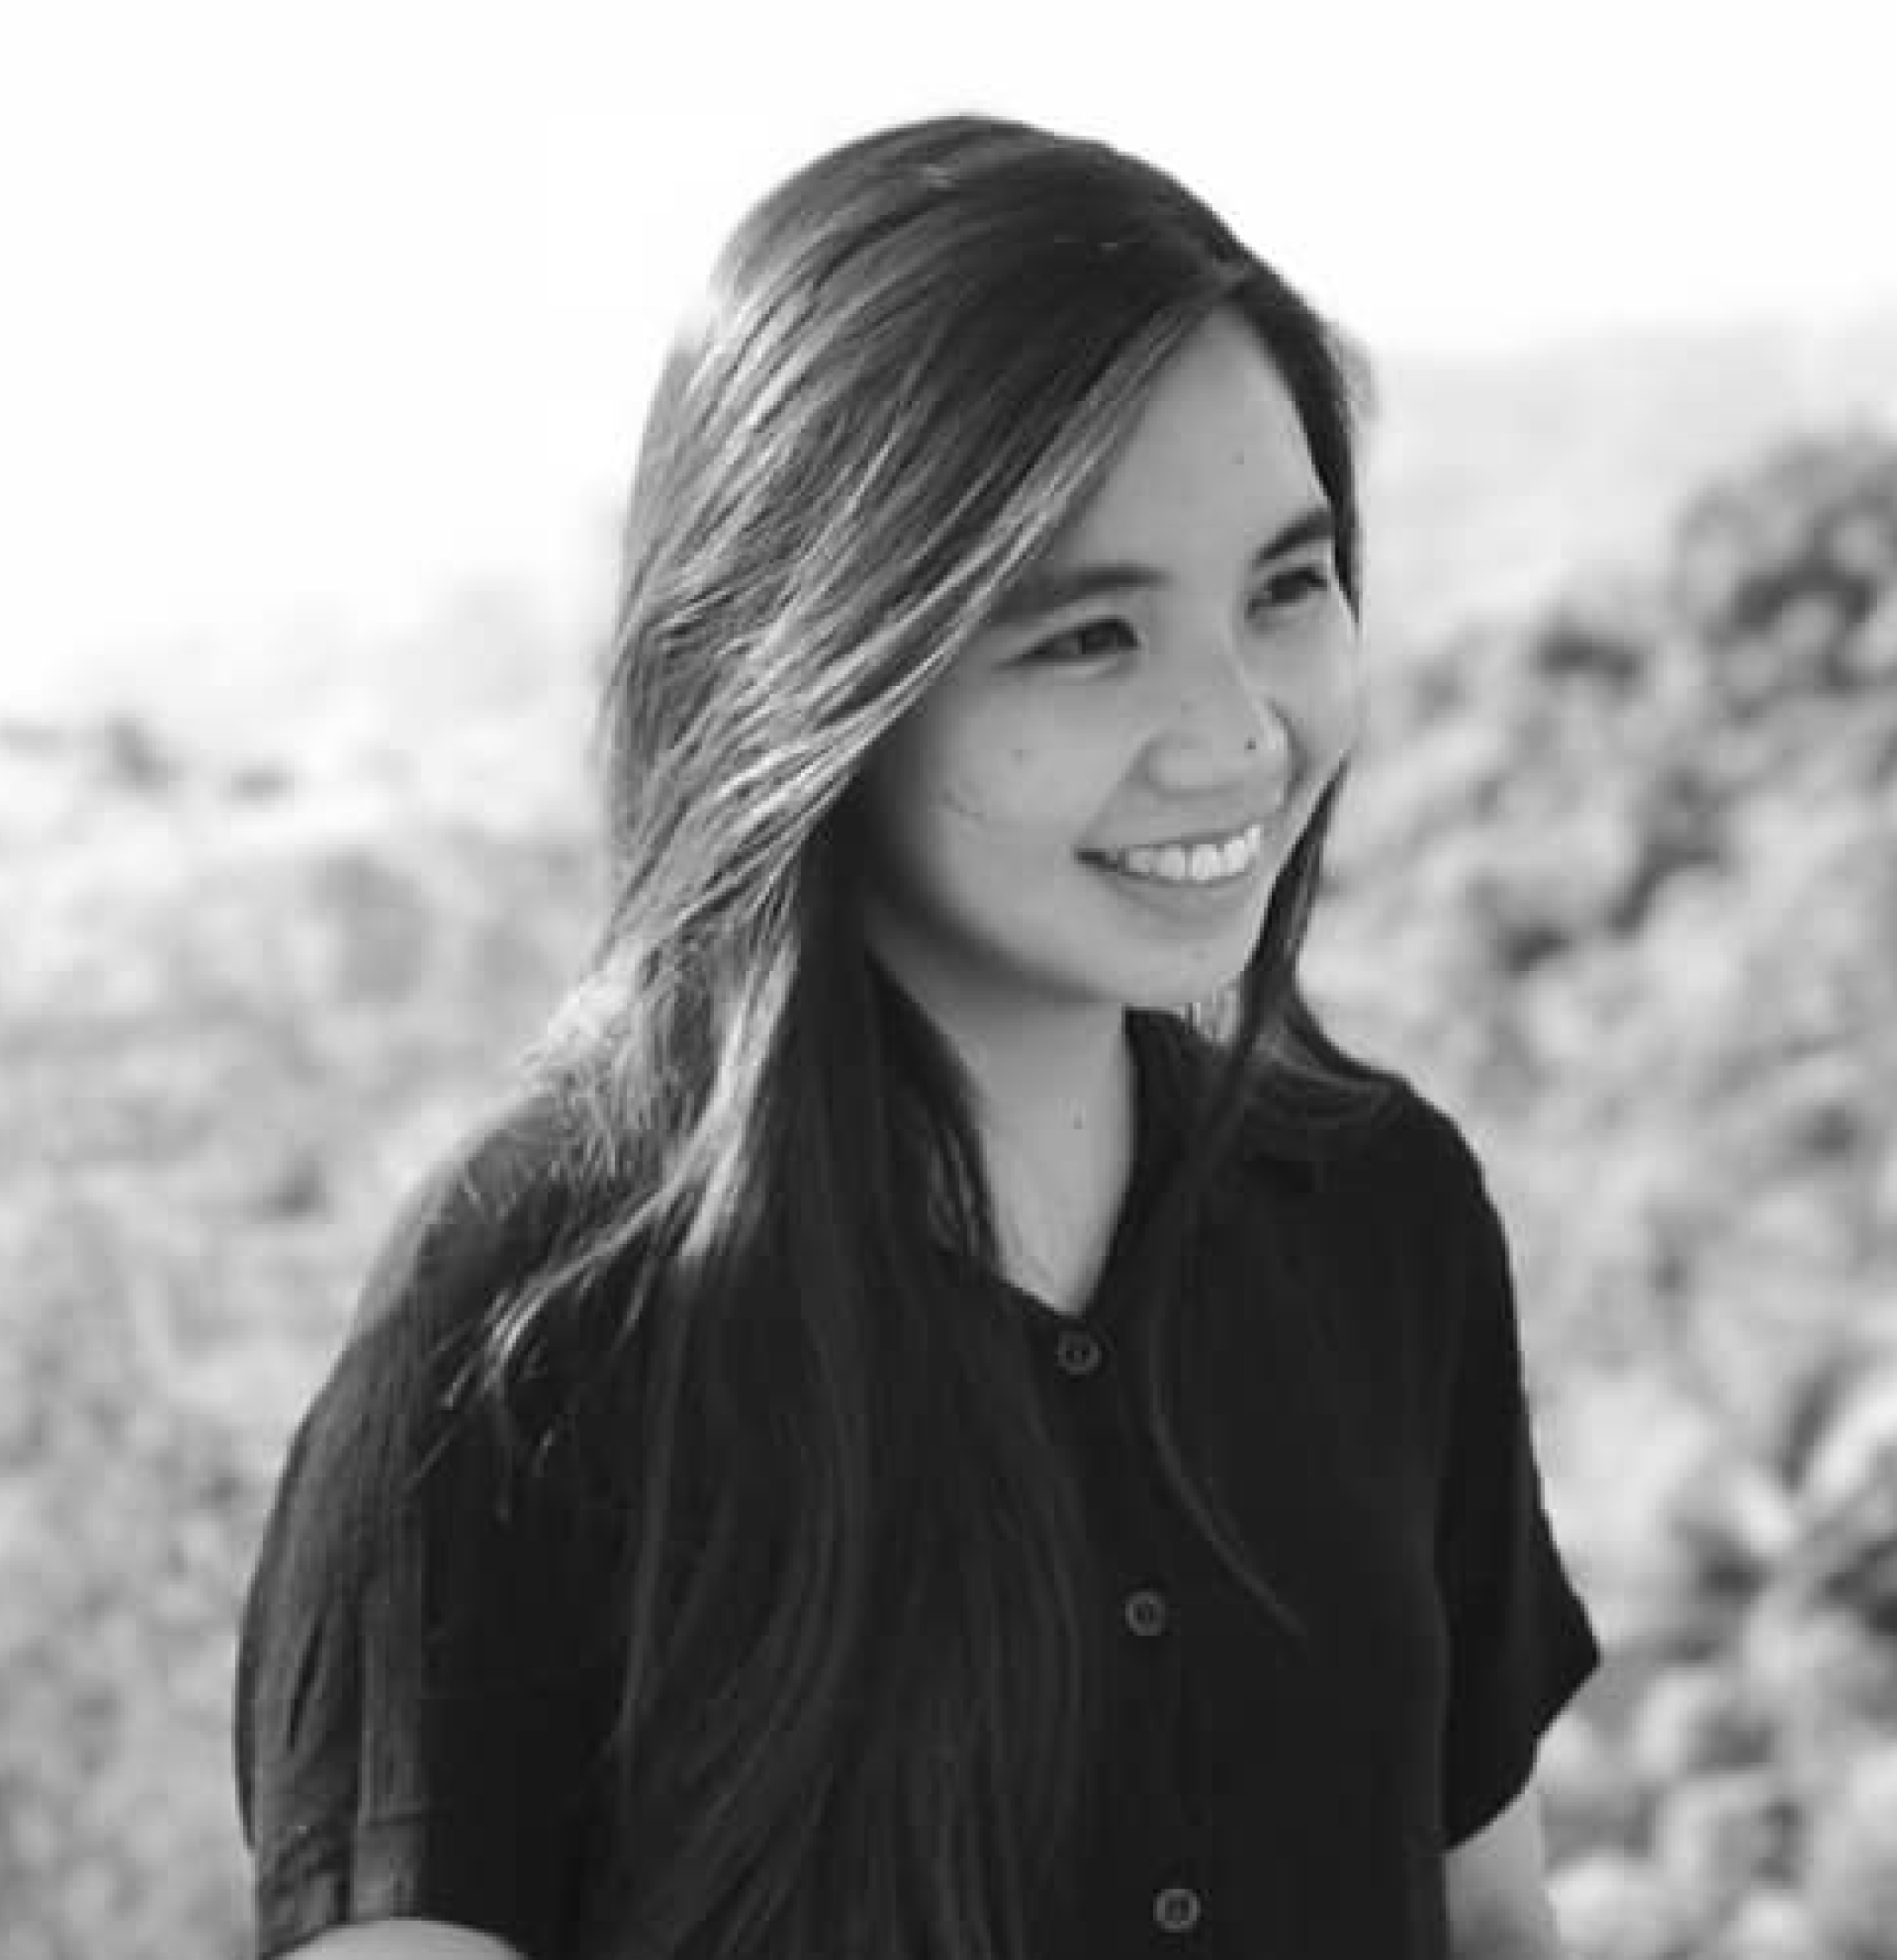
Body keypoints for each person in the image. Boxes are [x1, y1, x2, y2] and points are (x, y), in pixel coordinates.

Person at [231, 113, 1601, 1960]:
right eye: (1084, 639)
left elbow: (1490, 1921)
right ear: (817, 674)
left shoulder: (1385, 1218)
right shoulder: (533, 1328)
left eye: (1288, 586)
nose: (1237, 733)